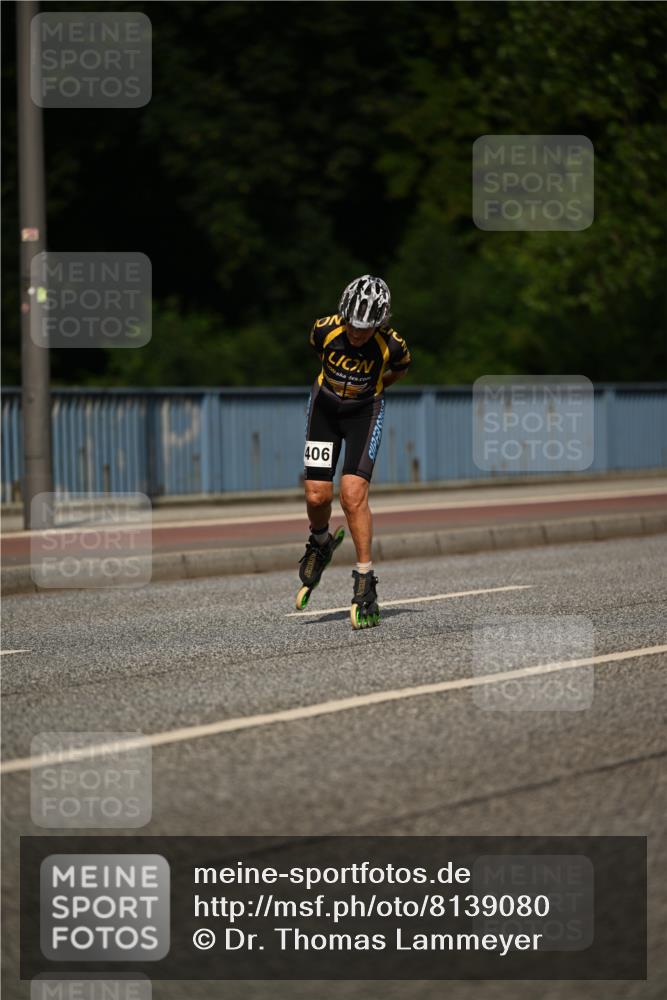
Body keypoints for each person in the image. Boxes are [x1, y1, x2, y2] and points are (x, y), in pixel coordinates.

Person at [295, 274, 411, 628]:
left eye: (367, 327)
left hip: (365, 412)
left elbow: (401, 369)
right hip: (325, 409)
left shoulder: (392, 345)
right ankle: (320, 542)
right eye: (353, 325)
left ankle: (365, 579)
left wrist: (375, 387)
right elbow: (319, 357)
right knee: (317, 496)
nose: (358, 333)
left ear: (381, 322)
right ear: (343, 314)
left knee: (352, 494)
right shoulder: (322, 330)